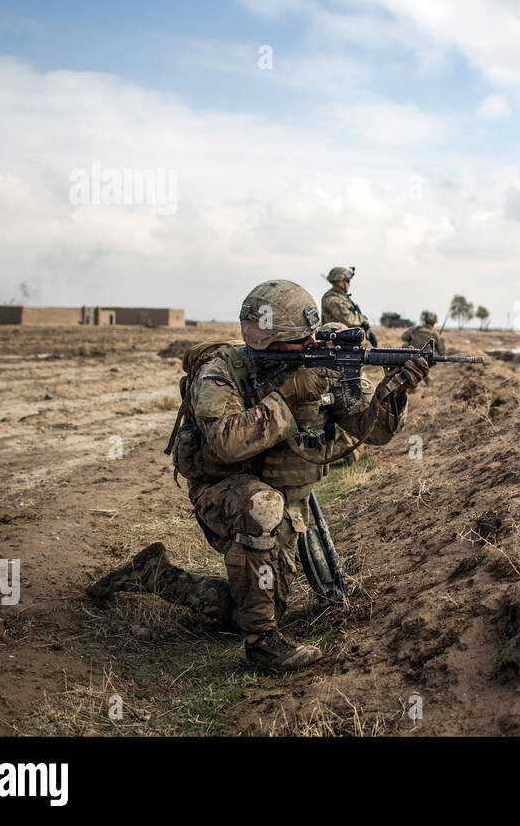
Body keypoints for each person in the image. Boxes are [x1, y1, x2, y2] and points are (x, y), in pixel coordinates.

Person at [86, 279, 428, 672]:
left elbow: (376, 431)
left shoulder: (321, 362)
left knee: (251, 606)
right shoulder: (220, 373)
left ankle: (155, 575)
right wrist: (287, 396)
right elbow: (228, 443)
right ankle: (263, 647)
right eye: (300, 341)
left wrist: (395, 389)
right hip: (222, 489)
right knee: (263, 508)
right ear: (268, 342)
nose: (310, 346)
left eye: (311, 337)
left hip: (283, 498)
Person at [320, 266, 377, 346]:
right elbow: (347, 319)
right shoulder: (333, 300)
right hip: (334, 343)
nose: (349, 284)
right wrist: (363, 320)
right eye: (347, 281)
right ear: (339, 281)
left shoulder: (342, 297)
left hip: (343, 341)